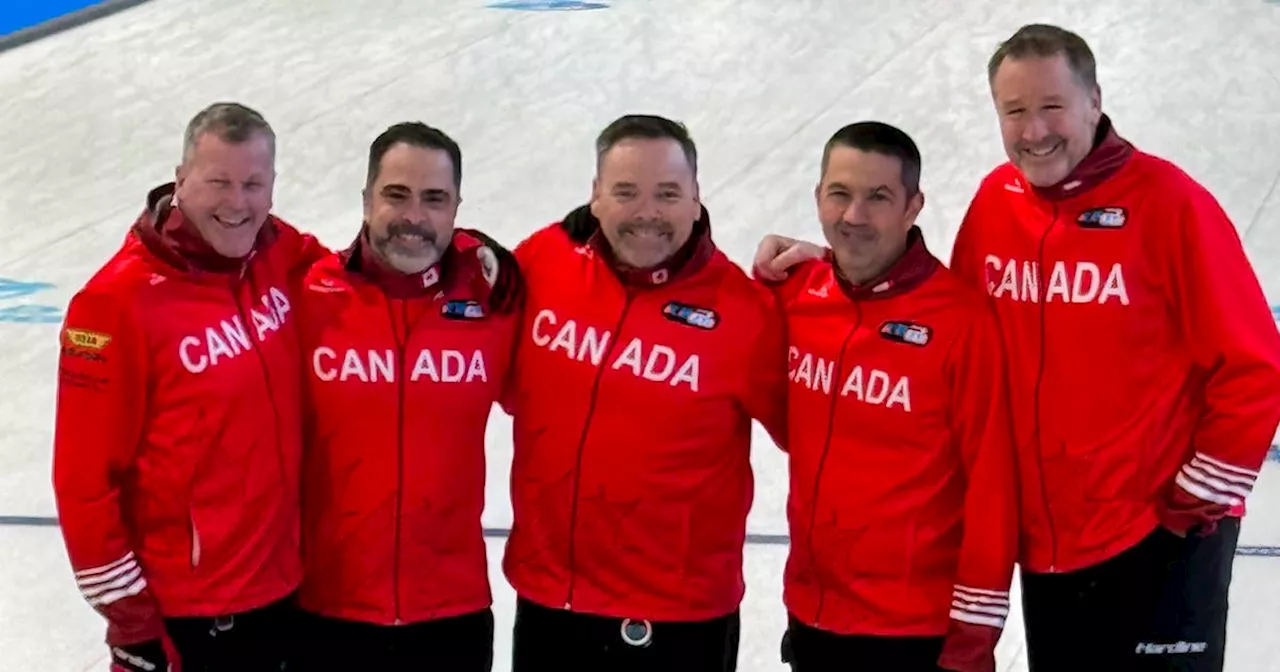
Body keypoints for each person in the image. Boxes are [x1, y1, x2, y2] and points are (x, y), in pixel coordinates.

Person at [753, 24, 1280, 672]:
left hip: (1158, 537)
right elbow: (943, 316)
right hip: (1049, 547)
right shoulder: (996, 205)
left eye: (1052, 107)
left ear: (1094, 101)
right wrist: (838, 267)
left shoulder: (1169, 206)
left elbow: (1256, 368)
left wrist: (1191, 504)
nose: (1034, 131)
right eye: (1015, 111)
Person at [500, 114, 789, 671]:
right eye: (626, 192)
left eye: (668, 194)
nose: (647, 214)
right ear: (595, 196)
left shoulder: (746, 313)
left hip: (675, 620)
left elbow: (825, 432)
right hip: (547, 601)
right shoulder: (543, 262)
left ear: (697, 198)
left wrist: (834, 279)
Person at [52, 102, 326, 672]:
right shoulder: (113, 305)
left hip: (285, 593)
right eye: (218, 181)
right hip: (189, 620)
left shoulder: (276, 251)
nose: (237, 202)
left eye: (253, 184)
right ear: (180, 182)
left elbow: (361, 275)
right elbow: (82, 485)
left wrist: (468, 251)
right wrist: (132, 623)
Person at [773, 121, 1017, 672]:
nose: (854, 216)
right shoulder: (793, 295)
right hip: (811, 616)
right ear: (817, 198)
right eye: (840, 194)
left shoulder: (962, 324)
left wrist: (974, 636)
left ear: (913, 206)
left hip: (915, 634)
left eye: (878, 198)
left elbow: (992, 489)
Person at [290, 121, 522, 671]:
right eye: (396, 195)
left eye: (435, 199)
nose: (415, 217)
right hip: (323, 613)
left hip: (452, 616)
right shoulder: (305, 295)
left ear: (457, 207)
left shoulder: (495, 300)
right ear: (367, 199)